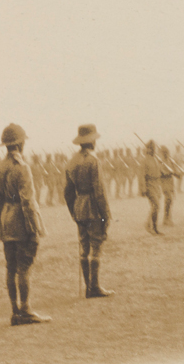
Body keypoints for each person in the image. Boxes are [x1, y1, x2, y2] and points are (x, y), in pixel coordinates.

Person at [0, 123, 50, 325]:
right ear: (19, 143)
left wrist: (0, 225)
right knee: (24, 267)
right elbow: (27, 201)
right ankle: (25, 310)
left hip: (6, 220)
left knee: (11, 267)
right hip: (21, 221)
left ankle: (15, 311)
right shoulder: (22, 167)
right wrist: (34, 228)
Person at [64, 124, 114, 298]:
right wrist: (106, 215)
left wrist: (74, 211)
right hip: (93, 208)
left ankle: (88, 287)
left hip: (79, 207)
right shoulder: (93, 161)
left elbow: (67, 192)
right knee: (96, 246)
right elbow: (99, 191)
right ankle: (95, 287)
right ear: (92, 141)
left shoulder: (71, 162)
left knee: (84, 247)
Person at [141, 140, 164, 235]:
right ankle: (153, 227)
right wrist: (143, 188)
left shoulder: (155, 159)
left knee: (155, 207)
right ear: (148, 149)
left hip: (156, 184)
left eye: (154, 148)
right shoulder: (145, 160)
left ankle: (150, 225)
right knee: (156, 205)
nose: (153, 150)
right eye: (151, 148)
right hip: (149, 184)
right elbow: (141, 175)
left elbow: (158, 172)